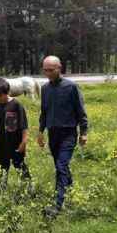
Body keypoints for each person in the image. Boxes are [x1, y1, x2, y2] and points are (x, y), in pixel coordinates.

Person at [37, 56, 88, 217]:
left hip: (68, 134)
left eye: (51, 70)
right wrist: (40, 132)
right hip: (53, 134)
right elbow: (44, 112)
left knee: (60, 166)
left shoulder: (71, 87)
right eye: (45, 70)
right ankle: (71, 190)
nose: (47, 73)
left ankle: (57, 205)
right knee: (62, 166)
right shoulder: (44, 89)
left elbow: (81, 111)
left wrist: (84, 132)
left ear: (60, 68)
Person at [0, 78, 31, 185]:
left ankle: (28, 187)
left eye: (0, 95)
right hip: (1, 145)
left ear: (7, 92)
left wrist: (23, 143)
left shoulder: (16, 105)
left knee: (20, 166)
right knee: (2, 168)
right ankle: (2, 188)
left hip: (16, 145)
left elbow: (24, 126)